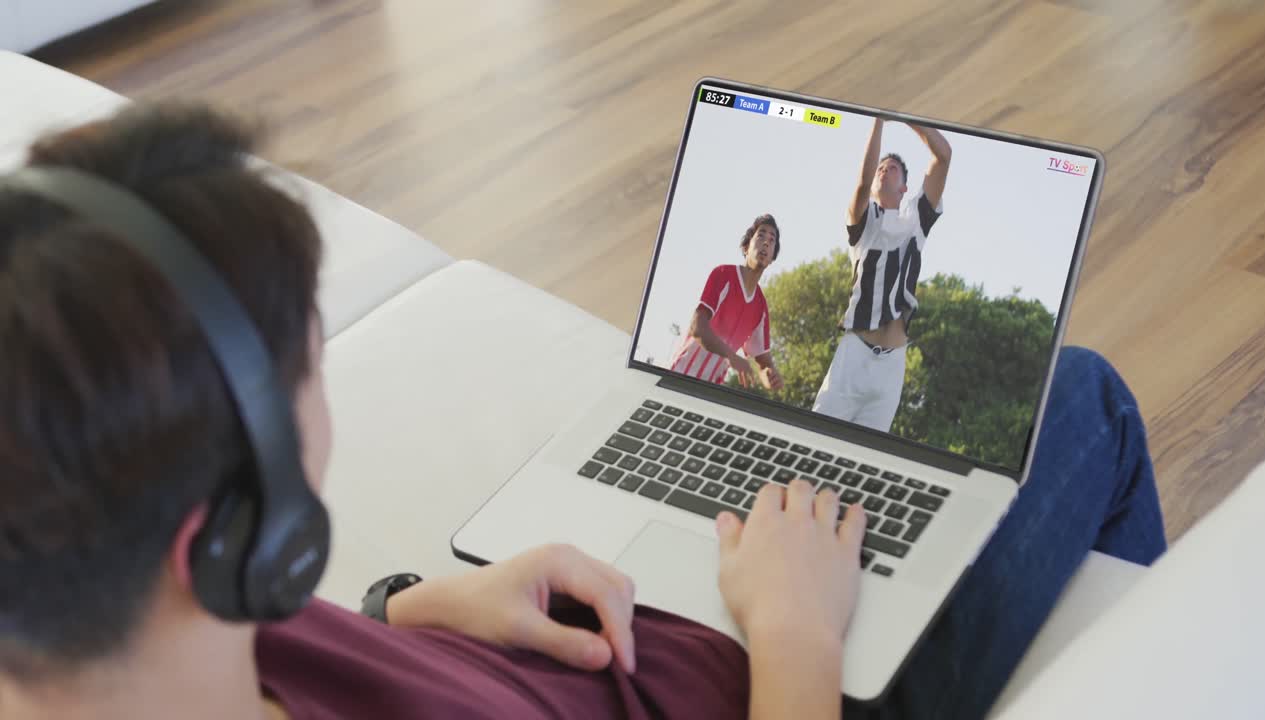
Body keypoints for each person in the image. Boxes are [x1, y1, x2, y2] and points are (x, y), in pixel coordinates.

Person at [0, 104, 1166, 720]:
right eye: (306, 370)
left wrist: (412, 611)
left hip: (626, 622)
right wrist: (798, 637)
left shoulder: (131, 621)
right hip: (788, 672)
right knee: (1087, 400)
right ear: (234, 538)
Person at [813, 118, 951, 433]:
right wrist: (878, 119)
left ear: (905, 186)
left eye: (891, 168)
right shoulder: (865, 222)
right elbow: (862, 183)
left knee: (867, 462)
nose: (882, 171)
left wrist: (907, 117)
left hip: (892, 366)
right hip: (853, 358)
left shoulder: (916, 218)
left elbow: (943, 156)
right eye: (880, 168)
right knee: (816, 444)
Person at [669, 214, 784, 391]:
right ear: (746, 247)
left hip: (710, 393)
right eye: (761, 235)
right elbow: (697, 328)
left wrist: (770, 377)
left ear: (772, 258)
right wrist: (732, 356)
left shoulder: (760, 307)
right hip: (678, 377)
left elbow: (763, 362)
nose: (766, 243)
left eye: (772, 239)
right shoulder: (723, 275)